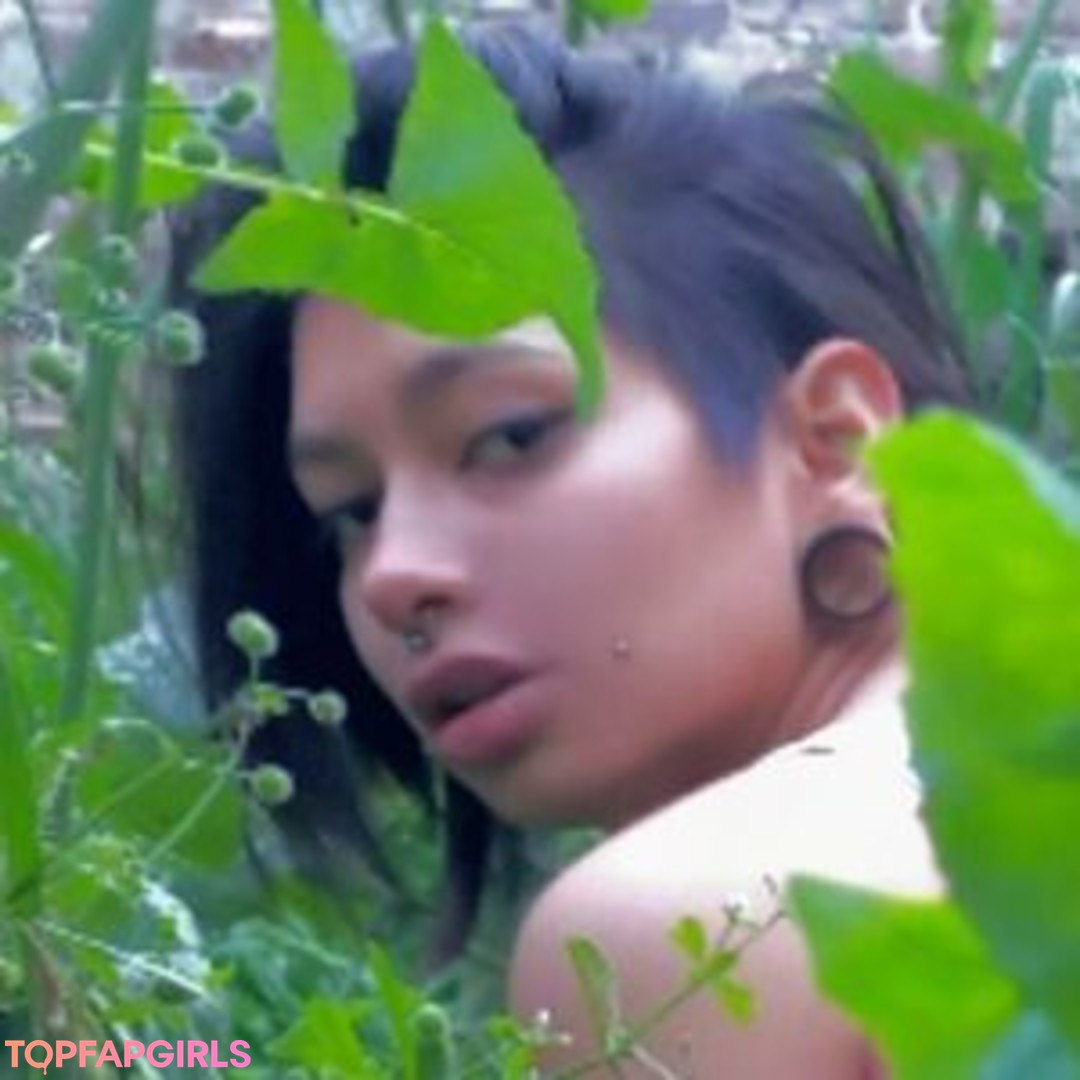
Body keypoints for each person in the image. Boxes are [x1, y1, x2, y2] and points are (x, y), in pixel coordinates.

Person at [168, 24, 972, 1077]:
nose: (394, 573)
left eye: (511, 437)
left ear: (836, 439)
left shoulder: (694, 927)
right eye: (351, 512)